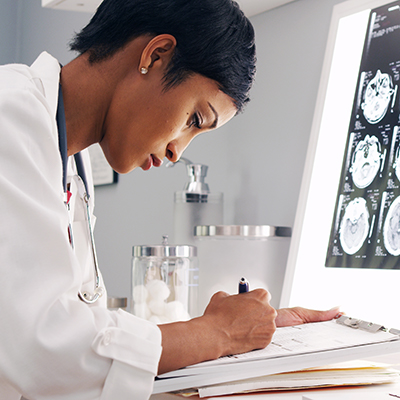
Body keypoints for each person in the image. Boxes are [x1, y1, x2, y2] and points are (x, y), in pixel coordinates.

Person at [0, 0, 340, 399]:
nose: (179, 151)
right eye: (195, 119)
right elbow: (43, 352)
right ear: (155, 55)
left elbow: (80, 337)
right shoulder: (11, 114)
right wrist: (216, 333)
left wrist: (248, 331)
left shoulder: (68, 163)